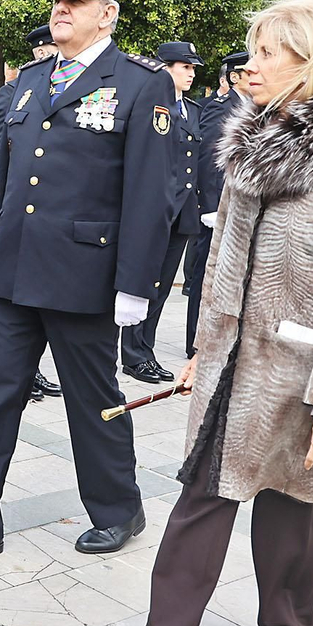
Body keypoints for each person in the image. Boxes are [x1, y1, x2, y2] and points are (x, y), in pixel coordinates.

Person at [92, 0, 313, 626]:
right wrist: (203, 350)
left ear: (311, 62)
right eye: (251, 51)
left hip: (300, 372)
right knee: (201, 499)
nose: (248, 66)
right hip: (232, 369)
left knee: (289, 507)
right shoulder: (247, 142)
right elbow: (222, 263)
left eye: (266, 53)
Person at [0, 0, 175, 567]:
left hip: (84, 276)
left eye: (76, 2)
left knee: (92, 399)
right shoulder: (33, 81)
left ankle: (119, 508)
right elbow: (9, 177)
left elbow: (151, 191)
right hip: (15, 273)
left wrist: (134, 286)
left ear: (107, 14)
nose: (60, 9)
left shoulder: (143, 84)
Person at [0, 23, 62, 403]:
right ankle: (26, 373)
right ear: (34, 53)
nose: (48, 53)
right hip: (18, 215)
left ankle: (37, 370)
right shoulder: (15, 90)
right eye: (43, 48)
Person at [120, 41, 203, 385]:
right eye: (186, 67)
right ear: (166, 67)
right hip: (154, 209)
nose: (192, 74)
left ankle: (145, 349)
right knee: (143, 281)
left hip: (182, 211)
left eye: (193, 69)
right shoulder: (154, 104)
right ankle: (132, 353)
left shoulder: (192, 110)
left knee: (162, 286)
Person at [184, 51, 249, 355]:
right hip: (215, 206)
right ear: (235, 77)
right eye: (250, 70)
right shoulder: (224, 108)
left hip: (240, 206)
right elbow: (208, 157)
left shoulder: (255, 108)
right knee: (204, 276)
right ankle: (196, 343)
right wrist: (208, 206)